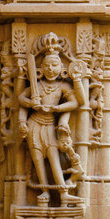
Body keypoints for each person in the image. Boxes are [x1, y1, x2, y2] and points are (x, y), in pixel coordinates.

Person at [18, 50, 82, 206]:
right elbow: (20, 98)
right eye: (46, 65)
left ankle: (63, 194)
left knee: (54, 158)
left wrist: (55, 109)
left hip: (50, 126)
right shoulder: (38, 85)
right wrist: (25, 115)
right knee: (38, 159)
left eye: (54, 65)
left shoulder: (63, 85)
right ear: (41, 68)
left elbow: (75, 103)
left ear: (61, 67)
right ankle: (44, 191)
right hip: (34, 125)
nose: (50, 69)